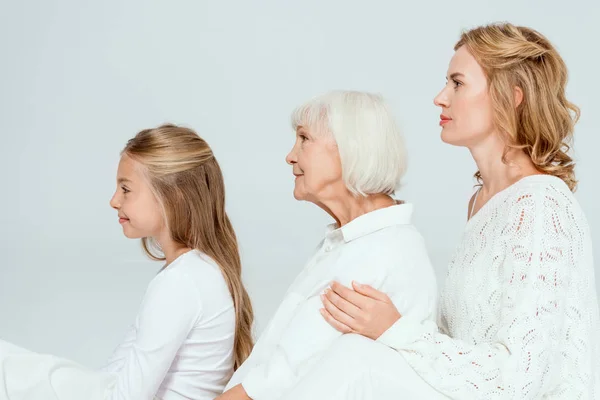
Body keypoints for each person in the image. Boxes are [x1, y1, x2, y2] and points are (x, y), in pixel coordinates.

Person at [315, 23, 600, 399]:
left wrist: (396, 329)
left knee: (356, 361)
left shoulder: (540, 206)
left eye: (457, 83)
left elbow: (519, 380)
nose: (440, 97)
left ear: (511, 97)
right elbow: (464, 346)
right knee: (352, 349)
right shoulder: (484, 201)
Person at [0, 124, 254, 400]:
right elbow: (116, 377)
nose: (113, 200)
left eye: (126, 189)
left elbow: (126, 396)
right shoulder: (197, 271)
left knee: (16, 371)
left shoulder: (182, 282)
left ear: (172, 197)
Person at [217, 90, 440, 400]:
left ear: (351, 149)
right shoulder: (350, 242)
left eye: (304, 139)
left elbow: (282, 376)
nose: (291, 156)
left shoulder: (380, 252)